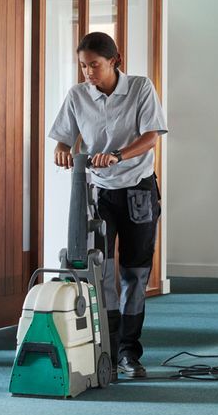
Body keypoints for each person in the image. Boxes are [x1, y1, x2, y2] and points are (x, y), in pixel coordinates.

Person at [49, 32, 169, 379]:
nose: (88, 72)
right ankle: (108, 353)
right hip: (99, 193)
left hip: (138, 192)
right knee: (102, 275)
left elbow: (151, 137)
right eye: (83, 66)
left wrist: (117, 154)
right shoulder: (77, 95)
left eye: (95, 65)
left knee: (135, 273)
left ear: (115, 60)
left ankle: (131, 353)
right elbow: (64, 136)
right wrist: (61, 148)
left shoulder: (140, 88)